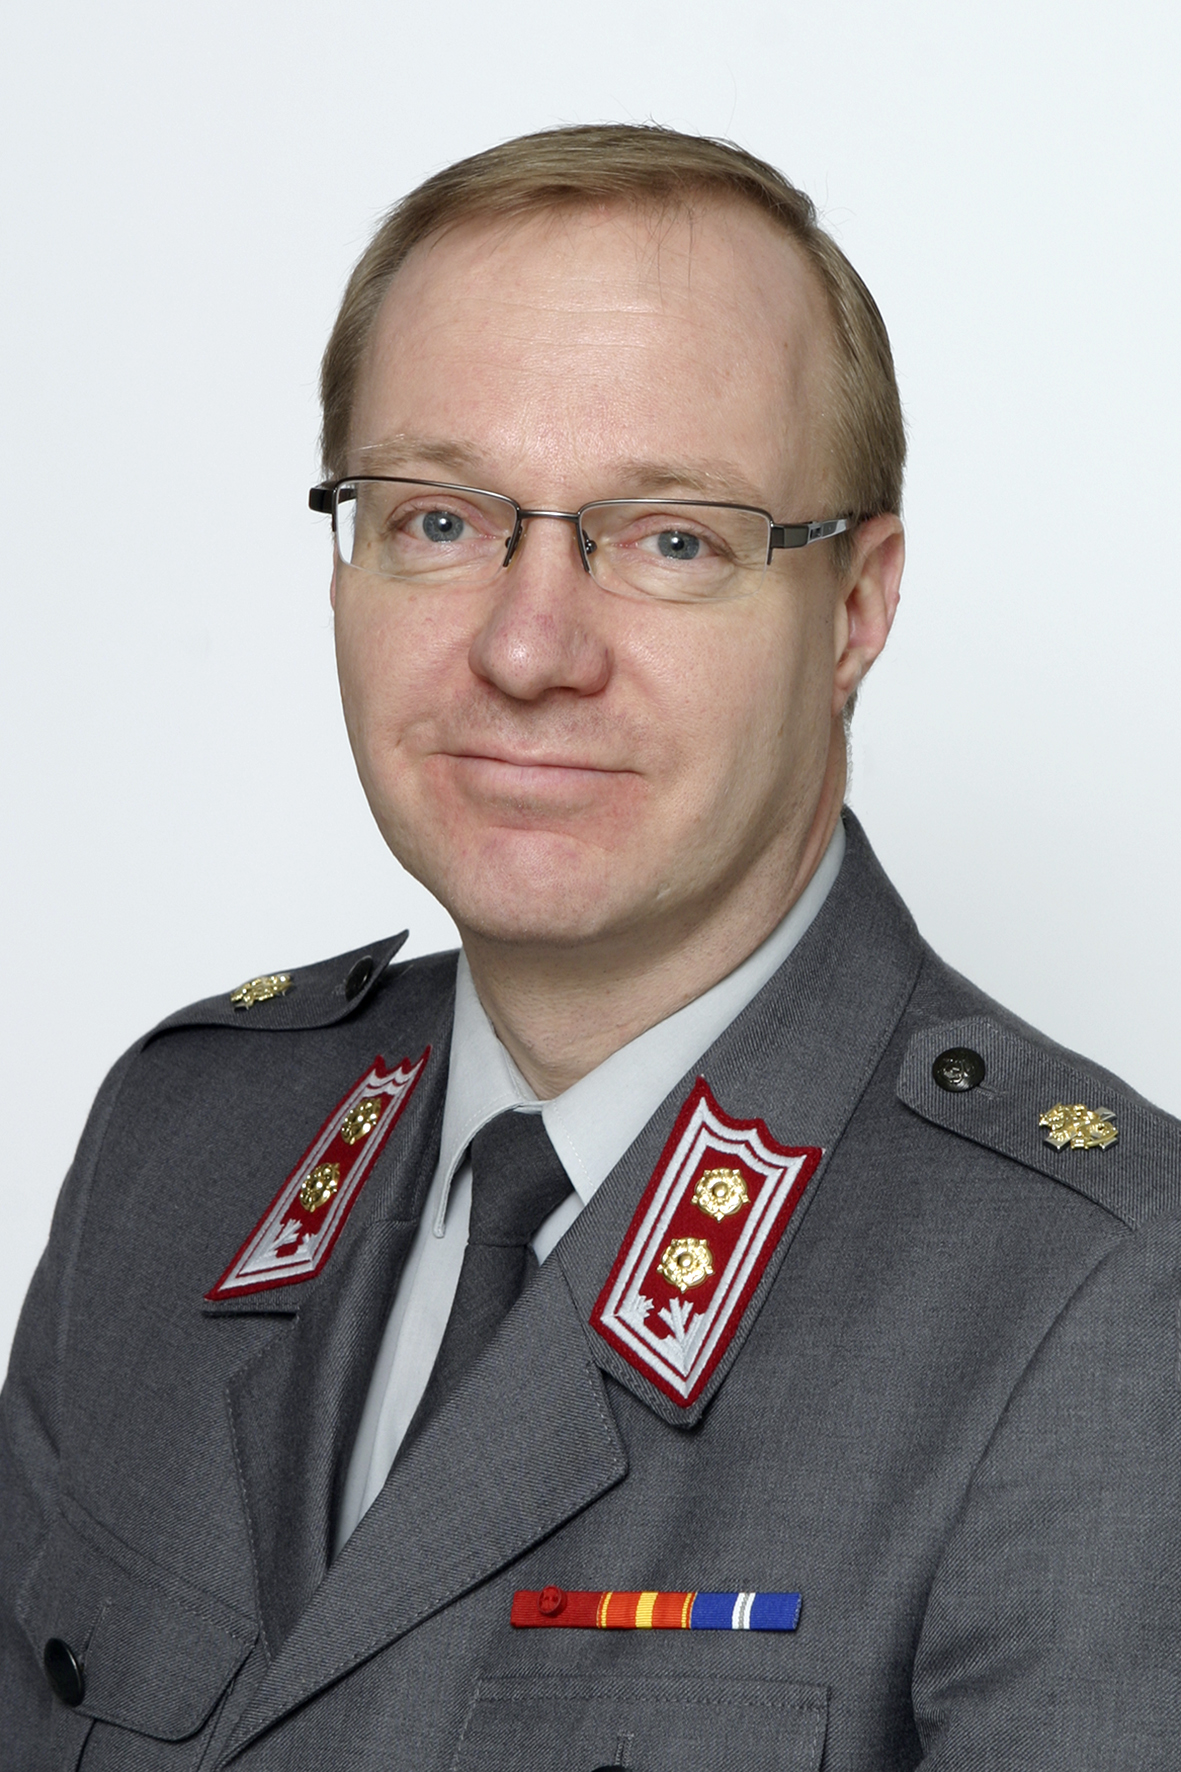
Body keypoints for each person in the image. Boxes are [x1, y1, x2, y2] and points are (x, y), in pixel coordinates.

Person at [3, 123, 1180, 1772]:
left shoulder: (1103, 1302)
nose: (527, 647)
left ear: (853, 609)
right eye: (435, 521)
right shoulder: (180, 1148)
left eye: (672, 537)